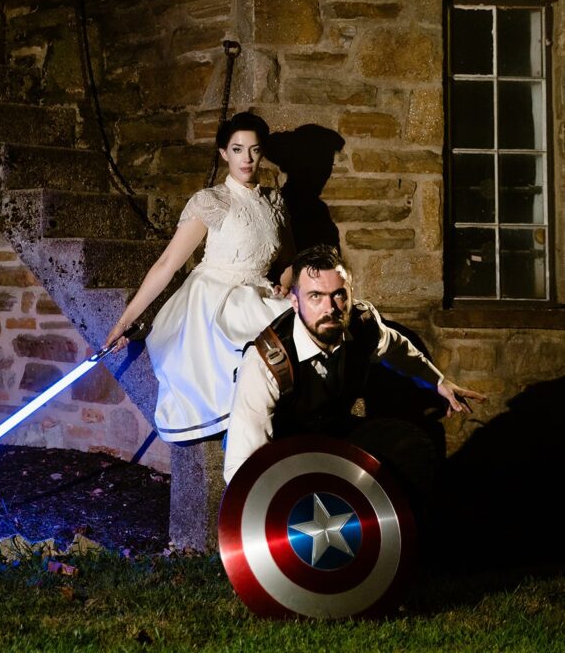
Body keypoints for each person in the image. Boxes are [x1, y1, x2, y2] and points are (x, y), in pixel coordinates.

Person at [103, 111, 295, 443]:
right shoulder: (212, 201)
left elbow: (291, 258)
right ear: (223, 153)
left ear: (262, 152)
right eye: (237, 149)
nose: (246, 158)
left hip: (261, 294)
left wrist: (286, 285)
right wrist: (126, 319)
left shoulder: (275, 202)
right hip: (215, 298)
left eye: (254, 149)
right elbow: (167, 264)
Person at [223, 245, 486, 483]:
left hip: (334, 433)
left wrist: (438, 382)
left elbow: (397, 348)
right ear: (294, 301)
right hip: (282, 450)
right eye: (315, 296)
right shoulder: (266, 361)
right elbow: (242, 466)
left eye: (339, 295)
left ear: (351, 294)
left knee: (410, 446)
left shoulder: (362, 324)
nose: (330, 308)